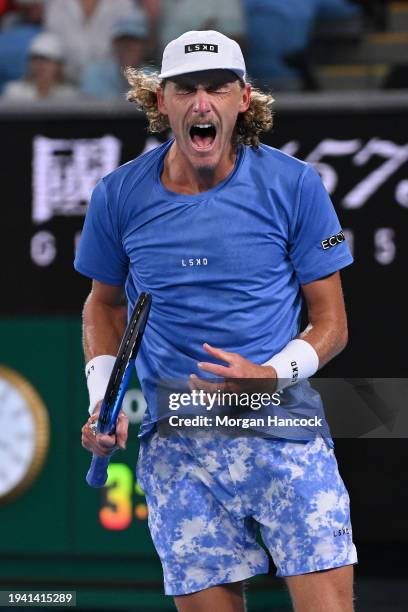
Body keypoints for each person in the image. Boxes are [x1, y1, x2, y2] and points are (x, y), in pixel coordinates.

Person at [76, 30, 357, 612]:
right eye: (185, 89)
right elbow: (104, 305)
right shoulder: (117, 196)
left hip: (286, 434)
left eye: (217, 89)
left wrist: (269, 375)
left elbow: (331, 324)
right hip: (178, 447)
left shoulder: (296, 185)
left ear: (243, 100)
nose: (202, 103)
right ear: (161, 102)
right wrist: (103, 398)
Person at [44, 0, 139, 83]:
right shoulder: (56, 4)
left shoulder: (123, 4)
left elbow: (130, 43)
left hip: (109, 84)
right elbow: (51, 46)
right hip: (64, 83)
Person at [80, 12, 149, 101]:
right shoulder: (94, 74)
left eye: (134, 41)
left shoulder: (154, 77)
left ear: (145, 45)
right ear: (114, 44)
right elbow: (88, 111)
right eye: (123, 40)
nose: (128, 46)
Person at [2, 32, 78, 101]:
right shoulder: (13, 93)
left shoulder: (69, 96)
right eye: (35, 59)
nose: (39, 65)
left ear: (58, 65)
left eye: (46, 60)